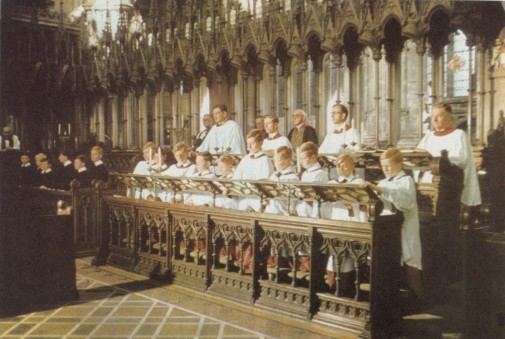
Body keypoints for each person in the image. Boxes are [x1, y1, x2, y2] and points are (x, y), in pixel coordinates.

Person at [363, 148, 423, 303]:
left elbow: (404, 202)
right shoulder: (383, 182)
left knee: (410, 258)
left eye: (389, 165)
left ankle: (416, 297)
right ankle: (390, 296)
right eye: (383, 166)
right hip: (387, 229)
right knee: (389, 260)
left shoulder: (406, 181)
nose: (386, 169)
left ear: (400, 164)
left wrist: (380, 190)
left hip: (405, 227)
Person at [417, 102, 481, 207]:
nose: (434, 119)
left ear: (450, 117)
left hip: (449, 181)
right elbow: (417, 154)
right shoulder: (428, 137)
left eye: (439, 116)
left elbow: (461, 160)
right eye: (433, 116)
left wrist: (440, 162)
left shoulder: (458, 135)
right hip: (426, 182)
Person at [320, 154, 366, 294]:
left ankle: (346, 291)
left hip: (351, 227)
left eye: (344, 165)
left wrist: (351, 210)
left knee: (347, 260)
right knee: (332, 259)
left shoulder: (358, 183)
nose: (340, 168)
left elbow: (363, 207)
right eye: (338, 165)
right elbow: (324, 207)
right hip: (334, 226)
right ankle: (333, 290)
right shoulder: (332, 184)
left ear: (352, 166)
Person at [233, 129, 274, 212]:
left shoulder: (264, 160)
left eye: (252, 143)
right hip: (243, 197)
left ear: (261, 143)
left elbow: (264, 184)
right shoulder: (245, 159)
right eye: (247, 143)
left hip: (257, 199)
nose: (249, 146)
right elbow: (236, 178)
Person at [296, 141, 329, 219]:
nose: (300, 162)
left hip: (315, 213)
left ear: (314, 157)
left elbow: (319, 198)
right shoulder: (305, 173)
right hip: (304, 211)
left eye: (303, 159)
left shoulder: (320, 173)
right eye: (299, 159)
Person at [264, 146, 298, 215]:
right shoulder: (274, 175)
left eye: (278, 160)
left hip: (282, 213)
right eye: (274, 160)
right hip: (269, 212)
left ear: (288, 160)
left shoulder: (292, 178)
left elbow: (293, 200)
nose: (275, 163)